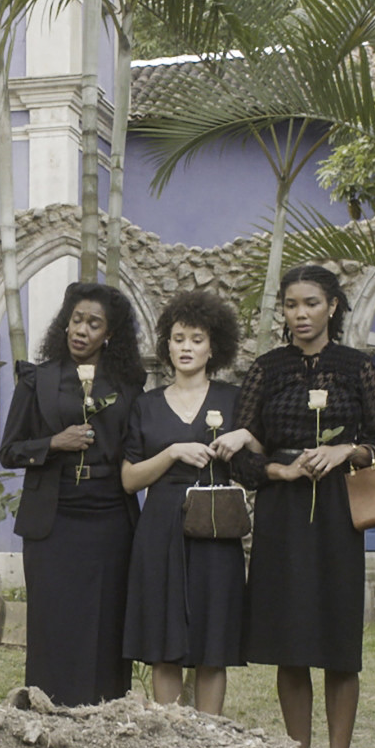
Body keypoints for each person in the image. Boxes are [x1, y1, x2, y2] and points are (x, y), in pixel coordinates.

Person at [233, 265, 375, 748]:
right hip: (282, 512)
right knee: (291, 638)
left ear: (332, 307)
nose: (300, 314)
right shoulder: (266, 369)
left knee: (338, 638)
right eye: (291, 305)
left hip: (338, 511)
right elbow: (240, 455)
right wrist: (279, 470)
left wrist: (347, 450)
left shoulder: (357, 367)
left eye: (311, 303)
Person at [0, 282, 147, 706]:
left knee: (106, 622)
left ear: (110, 334)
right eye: (76, 320)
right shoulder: (37, 379)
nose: (81, 330)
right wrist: (53, 443)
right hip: (53, 519)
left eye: (93, 324)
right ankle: (48, 709)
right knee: (53, 621)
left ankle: (104, 713)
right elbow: (10, 451)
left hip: (110, 518)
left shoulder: (128, 385)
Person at [121, 290, 261, 713]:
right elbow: (129, 479)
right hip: (160, 527)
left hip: (216, 527)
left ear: (213, 347)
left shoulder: (234, 399)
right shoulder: (145, 405)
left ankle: (210, 735)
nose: (186, 347)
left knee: (212, 643)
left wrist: (245, 436)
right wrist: (171, 453)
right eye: (178, 339)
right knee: (163, 644)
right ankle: (170, 736)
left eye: (196, 340)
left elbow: (262, 456)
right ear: (167, 345)